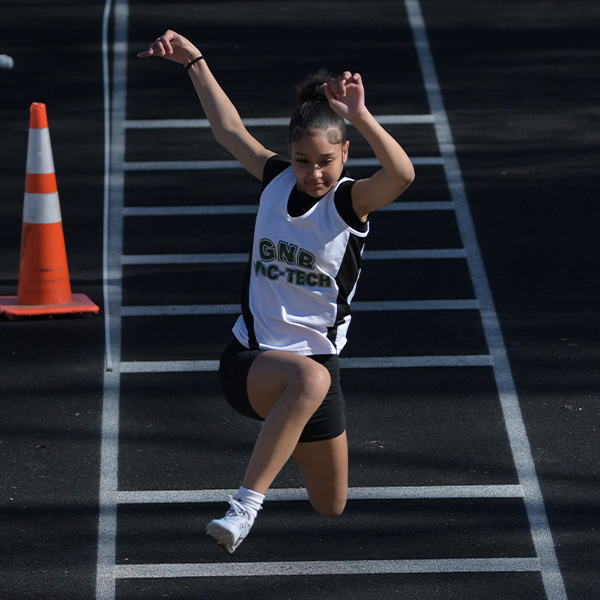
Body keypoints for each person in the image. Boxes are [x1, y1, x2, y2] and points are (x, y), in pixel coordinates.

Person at [138, 30, 415, 554]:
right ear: (288, 155)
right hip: (252, 362)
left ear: (344, 154)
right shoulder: (274, 180)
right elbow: (228, 129)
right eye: (301, 160)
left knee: (330, 503)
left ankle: (280, 451)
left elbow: (401, 174)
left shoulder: (349, 204)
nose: (312, 172)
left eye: (325, 161)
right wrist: (192, 60)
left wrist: (360, 115)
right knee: (307, 380)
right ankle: (244, 507)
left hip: (315, 366)